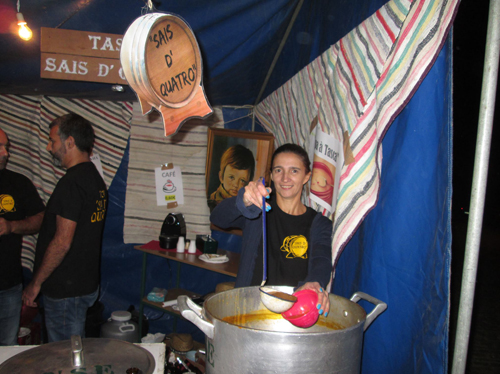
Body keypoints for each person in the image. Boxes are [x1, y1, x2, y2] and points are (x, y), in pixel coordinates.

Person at [210, 143, 333, 316]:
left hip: (294, 313)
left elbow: (322, 258)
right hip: (249, 311)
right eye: (278, 170)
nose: (285, 178)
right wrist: (243, 200)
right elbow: (217, 218)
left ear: (307, 176)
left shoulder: (319, 223)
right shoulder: (257, 210)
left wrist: (315, 281)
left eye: (294, 171)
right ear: (271, 176)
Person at [22, 113, 108, 342]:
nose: (50, 147)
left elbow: (62, 242)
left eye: (53, 141)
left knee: (64, 358)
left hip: (65, 292)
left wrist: (35, 284)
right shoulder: (95, 179)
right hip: (84, 285)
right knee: (73, 352)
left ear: (70, 142)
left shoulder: (71, 184)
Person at [0, 128, 45, 346]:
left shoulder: (18, 183)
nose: (5, 153)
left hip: (8, 285)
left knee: (6, 348)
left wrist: (11, 226)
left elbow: (41, 217)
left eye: (6, 147)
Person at [208, 144, 255, 211]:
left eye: (242, 180)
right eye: (231, 177)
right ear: (221, 177)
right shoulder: (210, 204)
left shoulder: (247, 208)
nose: (235, 184)